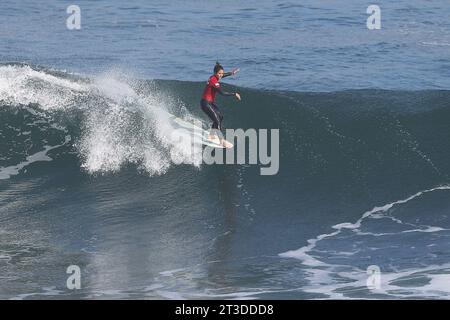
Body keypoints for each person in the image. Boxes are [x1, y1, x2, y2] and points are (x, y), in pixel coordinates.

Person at [200, 62, 241, 147]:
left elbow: (223, 75)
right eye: (219, 73)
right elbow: (222, 93)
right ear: (215, 73)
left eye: (222, 73)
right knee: (217, 120)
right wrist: (234, 94)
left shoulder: (215, 77)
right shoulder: (213, 80)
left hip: (210, 103)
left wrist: (231, 73)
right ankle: (221, 141)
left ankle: (211, 135)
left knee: (220, 116)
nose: (221, 75)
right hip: (205, 103)